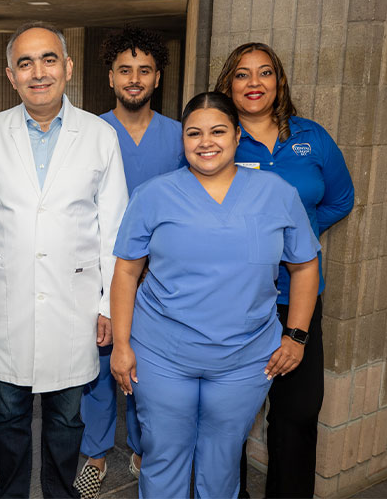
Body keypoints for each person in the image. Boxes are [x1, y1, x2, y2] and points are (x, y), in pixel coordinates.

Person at [110, 91, 322, 498]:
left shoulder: (276, 193)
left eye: (217, 131)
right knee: (164, 455)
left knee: (222, 461)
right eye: (194, 133)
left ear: (237, 134)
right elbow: (126, 271)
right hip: (163, 355)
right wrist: (121, 345)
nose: (205, 142)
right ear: (183, 140)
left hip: (244, 361)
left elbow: (305, 265)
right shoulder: (154, 195)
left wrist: (296, 336)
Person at [0, 21, 128, 498]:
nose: (38, 72)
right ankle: (9, 493)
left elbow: (113, 228)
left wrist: (108, 305)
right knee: (8, 414)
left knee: (66, 418)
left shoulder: (98, 135)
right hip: (5, 301)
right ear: (11, 75)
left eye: (49, 59)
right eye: (25, 63)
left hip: (74, 305)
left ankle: (60, 492)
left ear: (68, 68)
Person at [215, 42, 355, 498]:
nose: (254, 83)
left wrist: (295, 238)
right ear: (227, 84)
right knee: (228, 416)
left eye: (265, 73)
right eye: (242, 74)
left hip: (298, 300)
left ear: (279, 82)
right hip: (234, 302)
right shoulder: (216, 137)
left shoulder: (311, 137)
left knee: (296, 416)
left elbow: (339, 199)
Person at [75, 26, 185, 498]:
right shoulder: (90, 134)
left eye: (144, 70)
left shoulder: (182, 136)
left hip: (162, 278)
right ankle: (96, 454)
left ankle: (143, 447)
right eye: (125, 70)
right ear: (111, 77)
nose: (134, 79)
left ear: (158, 77)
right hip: (101, 274)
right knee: (98, 369)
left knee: (148, 370)